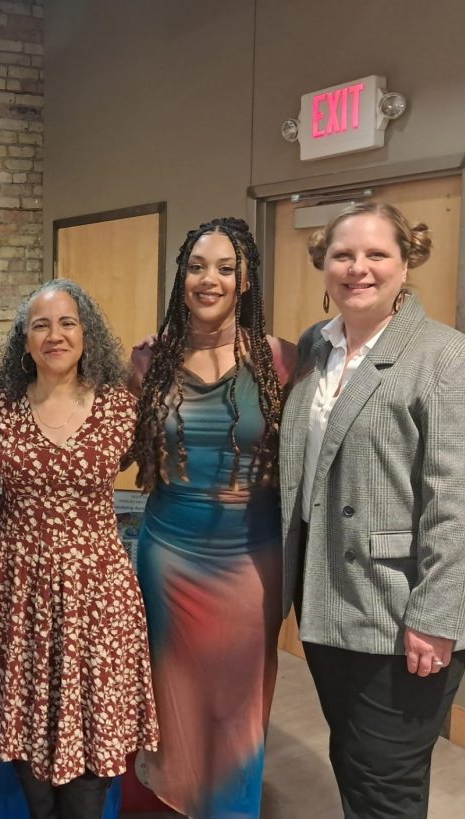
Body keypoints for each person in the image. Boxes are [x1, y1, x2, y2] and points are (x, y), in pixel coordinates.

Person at [279, 202, 465, 819]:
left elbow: (461, 504)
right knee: (355, 763)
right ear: (324, 262)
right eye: (344, 255)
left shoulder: (451, 359)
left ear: (407, 263)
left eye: (377, 254)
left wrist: (435, 615)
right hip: (327, 602)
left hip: (401, 611)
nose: (359, 268)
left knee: (386, 784)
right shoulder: (316, 349)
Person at [125, 217, 294, 819]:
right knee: (171, 703)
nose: (209, 279)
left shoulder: (282, 361)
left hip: (253, 558)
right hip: (168, 556)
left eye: (225, 267)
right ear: (182, 275)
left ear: (246, 279)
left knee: (239, 705)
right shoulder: (148, 362)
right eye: (197, 266)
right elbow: (112, 447)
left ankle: (230, 807)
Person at [0, 278, 159, 819]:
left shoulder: (121, 408)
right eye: (41, 325)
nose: (55, 335)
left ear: (87, 334)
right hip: (17, 594)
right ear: (24, 341)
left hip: (98, 598)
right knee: (30, 749)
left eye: (67, 322)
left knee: (94, 753)